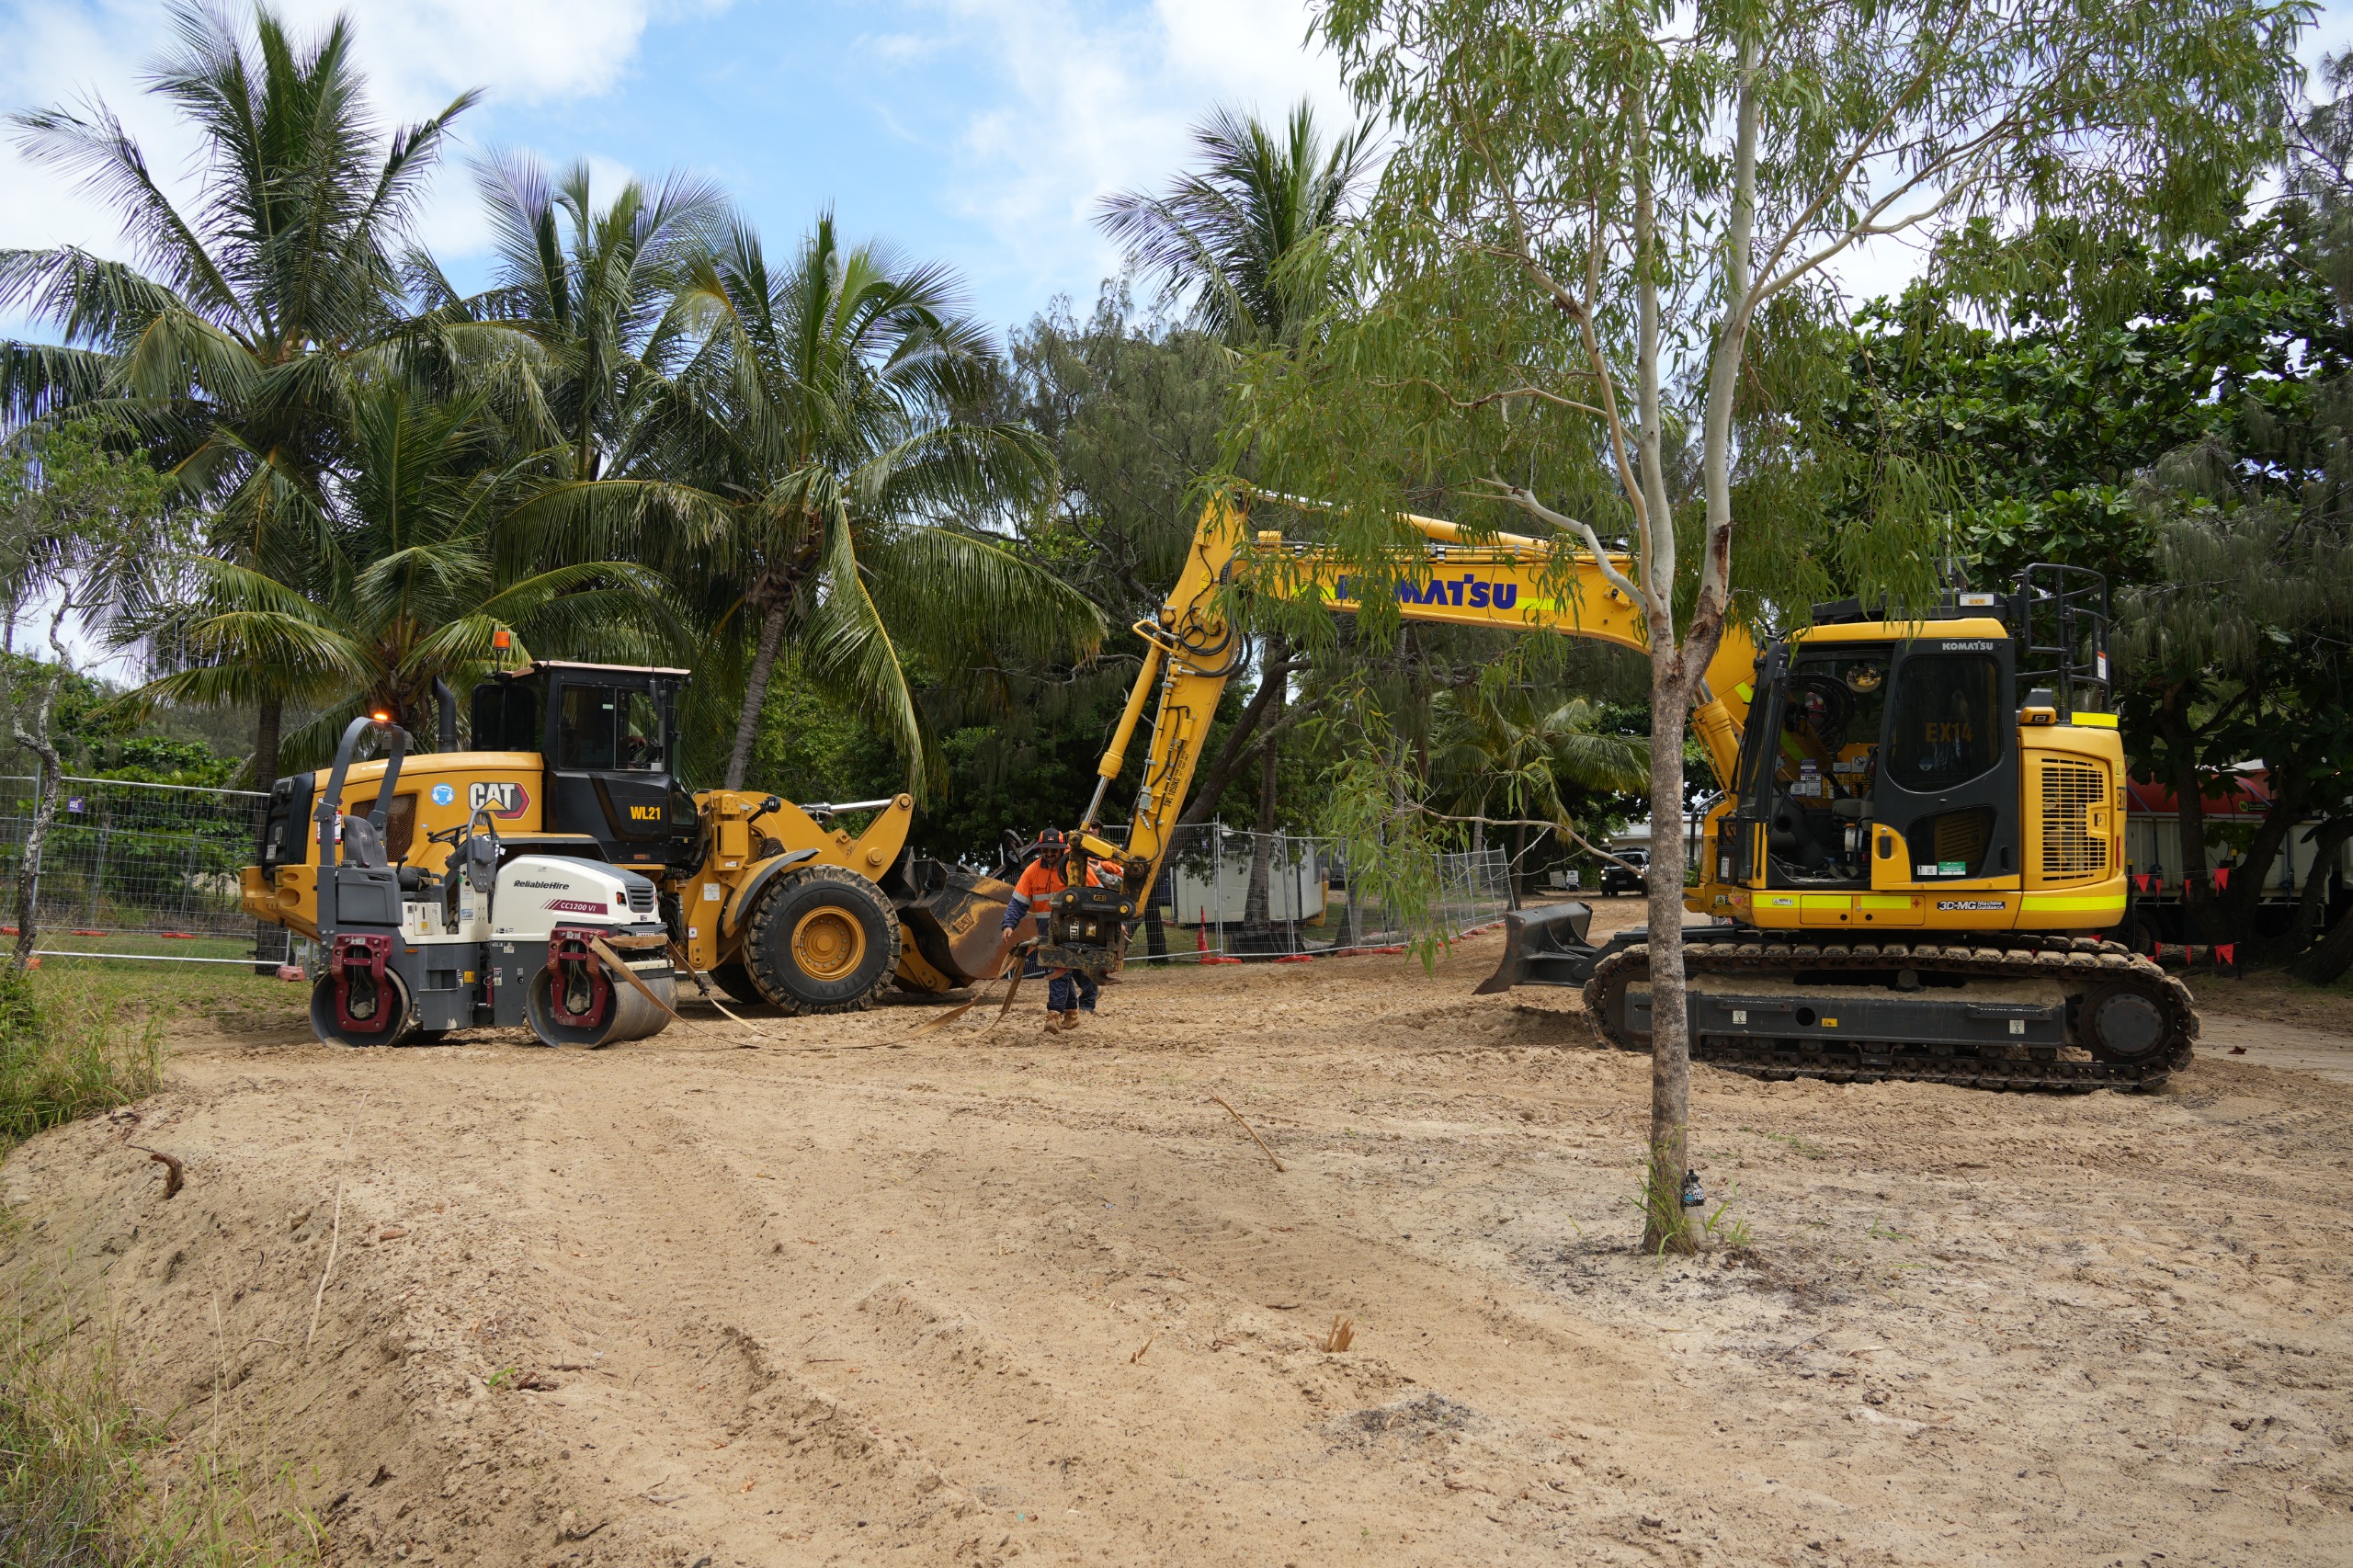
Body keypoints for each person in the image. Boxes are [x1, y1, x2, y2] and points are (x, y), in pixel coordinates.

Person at [997, 828, 1099, 1032]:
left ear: (1062, 850)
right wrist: (1008, 924)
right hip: (1047, 930)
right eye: (1046, 850)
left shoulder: (1077, 867)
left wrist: (1115, 922)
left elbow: (1100, 895)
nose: (1050, 854)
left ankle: (1053, 1013)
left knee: (1058, 969)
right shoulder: (1032, 872)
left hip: (1074, 928)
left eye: (1054, 850)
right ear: (1041, 850)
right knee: (1060, 970)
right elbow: (1018, 903)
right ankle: (1071, 1013)